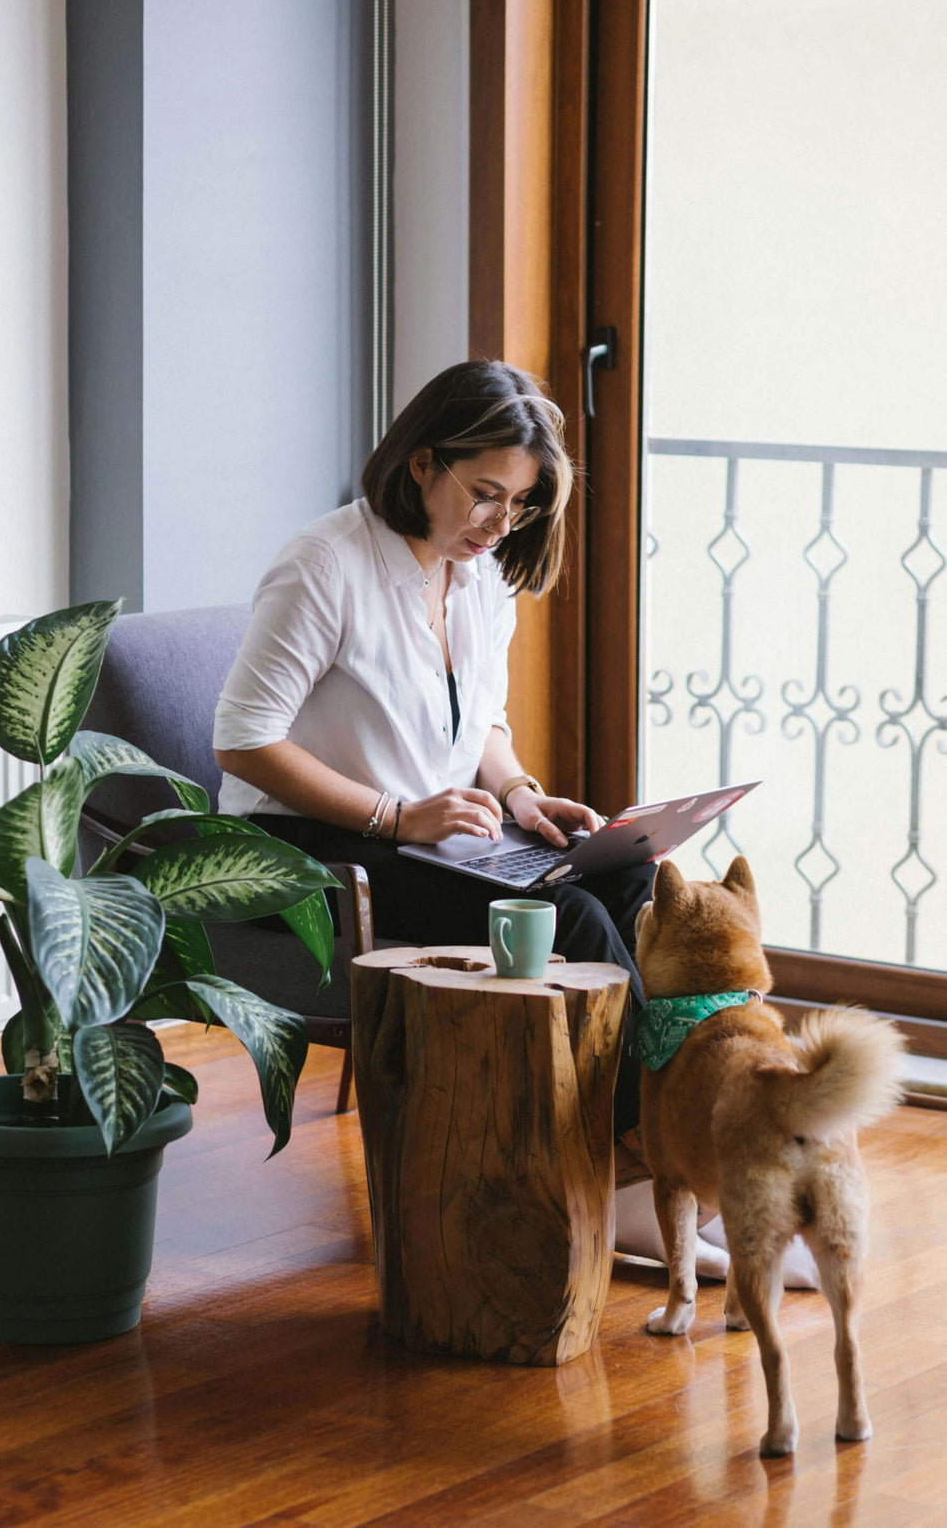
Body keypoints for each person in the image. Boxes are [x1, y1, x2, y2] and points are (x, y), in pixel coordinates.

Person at [212, 359, 816, 1284]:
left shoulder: (479, 573)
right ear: (421, 463)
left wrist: (524, 793)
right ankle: (646, 1181)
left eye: (520, 503)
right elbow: (243, 742)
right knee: (561, 921)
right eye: (485, 492)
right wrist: (397, 814)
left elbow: (478, 723)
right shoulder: (324, 566)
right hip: (314, 847)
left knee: (618, 874)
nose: (500, 521)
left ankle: (678, 1152)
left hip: (434, 831)